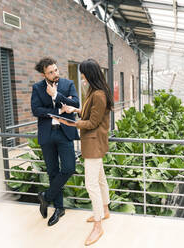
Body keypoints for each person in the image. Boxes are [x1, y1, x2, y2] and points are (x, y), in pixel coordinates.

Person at [53, 58, 113, 246]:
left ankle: (98, 225)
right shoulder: (95, 91)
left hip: (94, 144)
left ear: (90, 74)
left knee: (91, 184)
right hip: (94, 143)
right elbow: (90, 113)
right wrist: (75, 109)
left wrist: (69, 122)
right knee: (100, 179)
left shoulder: (99, 94)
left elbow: (93, 123)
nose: (82, 77)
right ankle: (104, 211)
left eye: (84, 74)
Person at [31, 57, 80, 226]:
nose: (55, 74)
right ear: (44, 74)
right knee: (52, 171)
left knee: (69, 168)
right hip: (47, 134)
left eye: (56, 70)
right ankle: (59, 208)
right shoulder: (37, 88)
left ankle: (46, 197)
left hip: (64, 133)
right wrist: (58, 109)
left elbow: (76, 103)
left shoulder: (68, 84)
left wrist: (57, 95)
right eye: (51, 72)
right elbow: (35, 110)